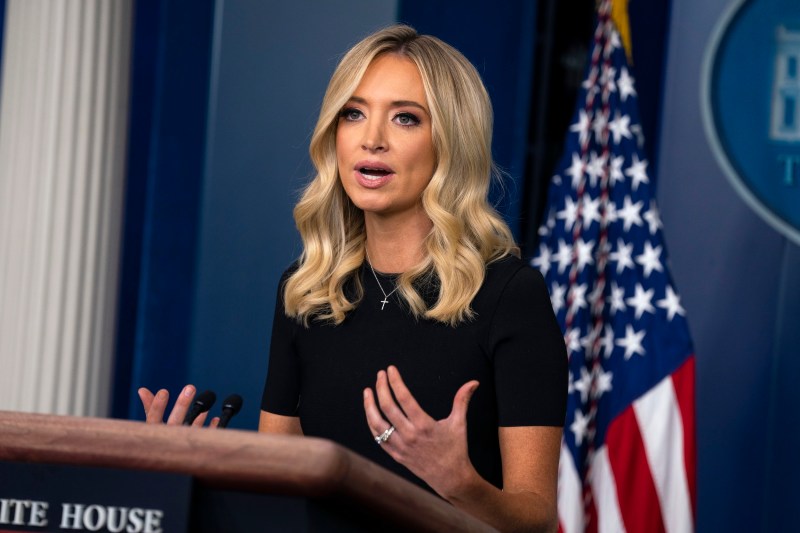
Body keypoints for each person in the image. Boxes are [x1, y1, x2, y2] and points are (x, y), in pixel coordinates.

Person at [140, 25, 567, 532]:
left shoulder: (509, 295)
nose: (372, 139)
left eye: (406, 118)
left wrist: (460, 483)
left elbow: (536, 518)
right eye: (353, 113)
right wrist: (194, 468)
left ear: (451, 141)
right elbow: (277, 488)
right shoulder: (308, 289)